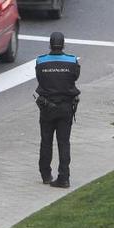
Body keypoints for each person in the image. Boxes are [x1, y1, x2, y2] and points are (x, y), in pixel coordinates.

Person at [35, 31, 80, 188]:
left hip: (47, 108)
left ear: (49, 44)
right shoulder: (72, 61)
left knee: (46, 141)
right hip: (66, 107)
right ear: (63, 45)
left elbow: (39, 78)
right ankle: (64, 177)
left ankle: (46, 175)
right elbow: (75, 77)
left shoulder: (40, 61)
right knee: (64, 143)